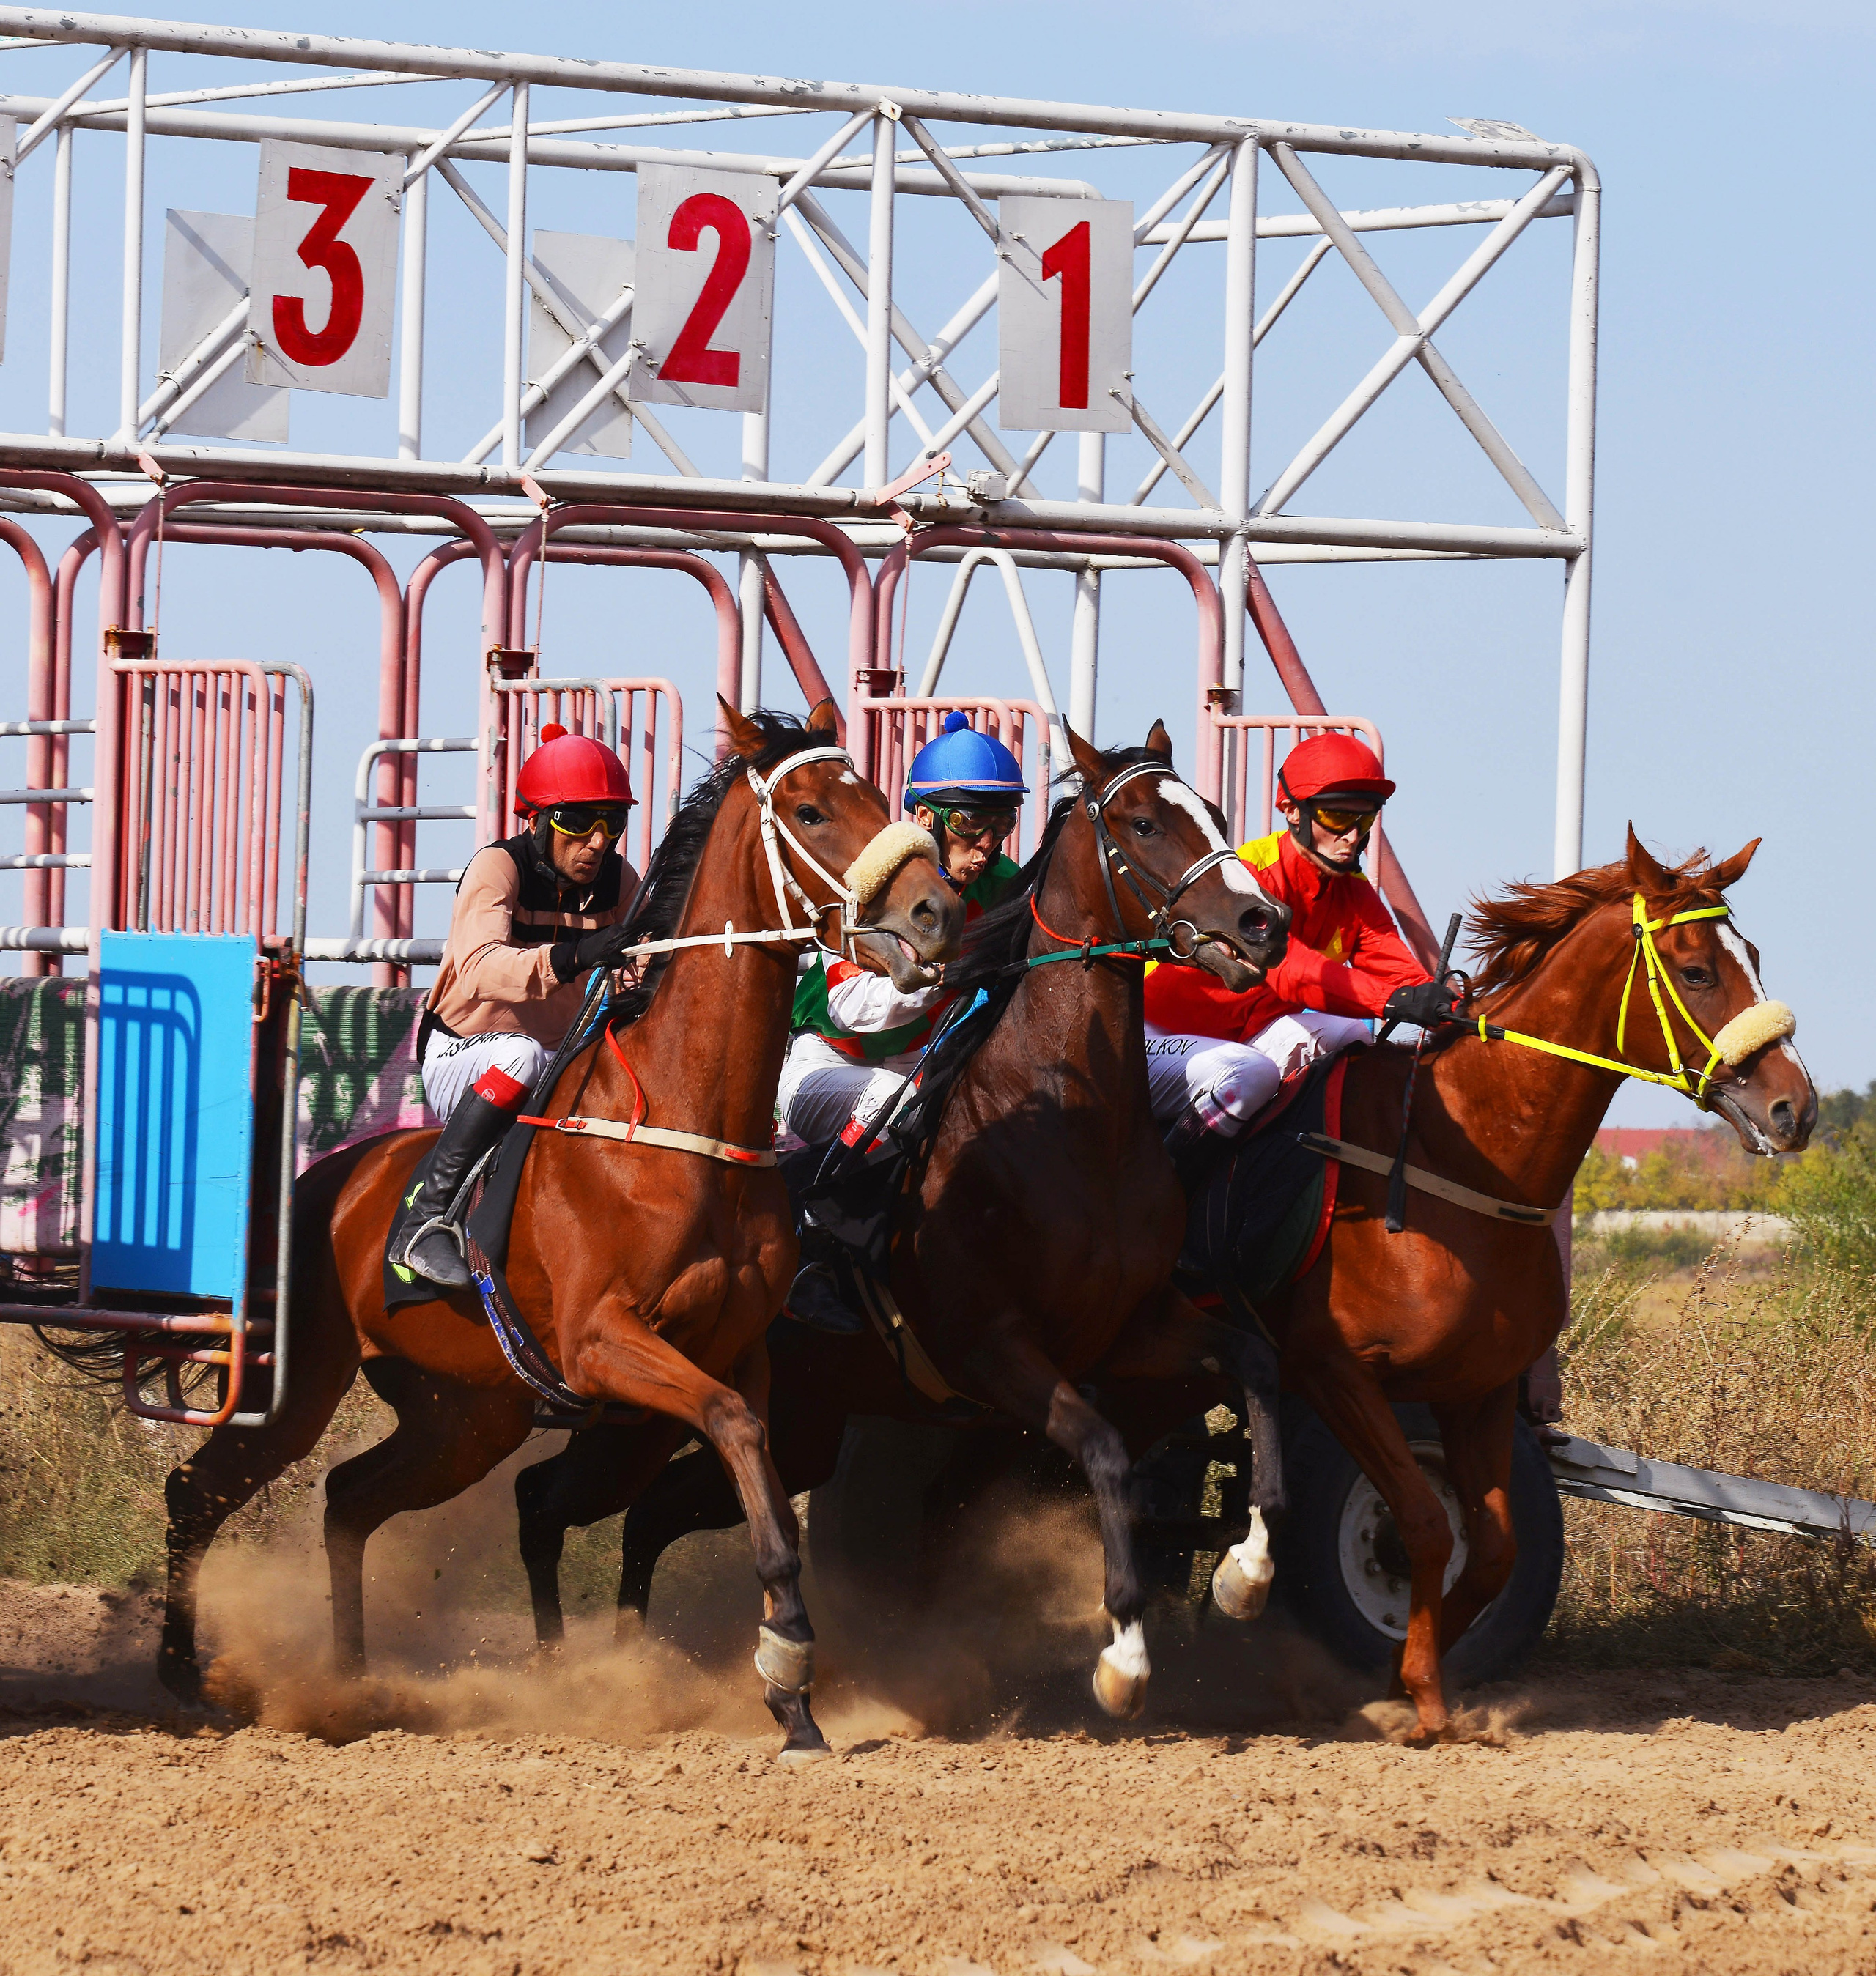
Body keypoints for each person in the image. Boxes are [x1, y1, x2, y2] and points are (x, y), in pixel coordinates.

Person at [777, 712, 1025, 1330]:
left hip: (922, 1071)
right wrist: (943, 977)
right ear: (924, 818)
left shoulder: (1005, 885)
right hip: (826, 1067)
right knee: (895, 1098)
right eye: (969, 822)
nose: (987, 842)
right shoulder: (870, 877)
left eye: (1001, 823)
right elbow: (851, 1008)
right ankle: (810, 1242)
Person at [390, 724, 642, 1288]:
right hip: (462, 1055)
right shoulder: (497, 867)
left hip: (557, 1065)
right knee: (520, 1054)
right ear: (537, 821)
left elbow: (648, 968)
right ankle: (424, 1221)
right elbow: (480, 969)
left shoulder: (620, 880)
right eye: (578, 821)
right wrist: (573, 957)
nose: (597, 841)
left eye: (611, 822)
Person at [1141, 730, 1451, 1169]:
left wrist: (1457, 1009)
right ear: (1290, 810)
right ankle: (1166, 1186)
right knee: (1250, 1074)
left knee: (1353, 1037)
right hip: (1152, 1037)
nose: (1353, 836)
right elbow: (1291, 971)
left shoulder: (1354, 891)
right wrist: (1392, 1000)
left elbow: (1400, 971)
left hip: (1240, 1041)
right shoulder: (1247, 875)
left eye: (1364, 820)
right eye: (1337, 817)